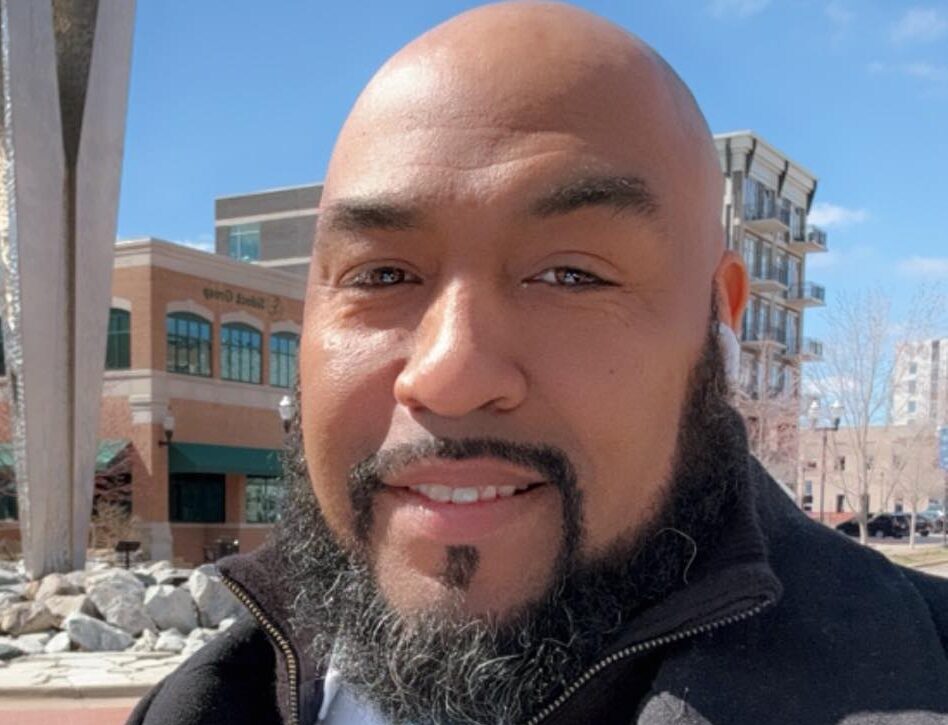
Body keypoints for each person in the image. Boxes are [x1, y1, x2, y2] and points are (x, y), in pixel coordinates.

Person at [129, 3, 948, 724]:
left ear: (718, 318)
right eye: (381, 275)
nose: (448, 373)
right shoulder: (197, 704)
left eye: (570, 276)